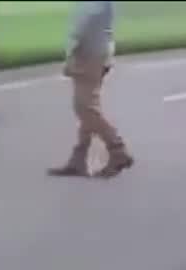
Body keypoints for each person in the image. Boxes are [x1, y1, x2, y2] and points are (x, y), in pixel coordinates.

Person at [47, 0, 134, 179]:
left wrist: (70, 53)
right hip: (100, 49)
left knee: (84, 107)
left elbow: (83, 23)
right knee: (88, 107)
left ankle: (117, 150)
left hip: (89, 53)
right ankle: (78, 159)